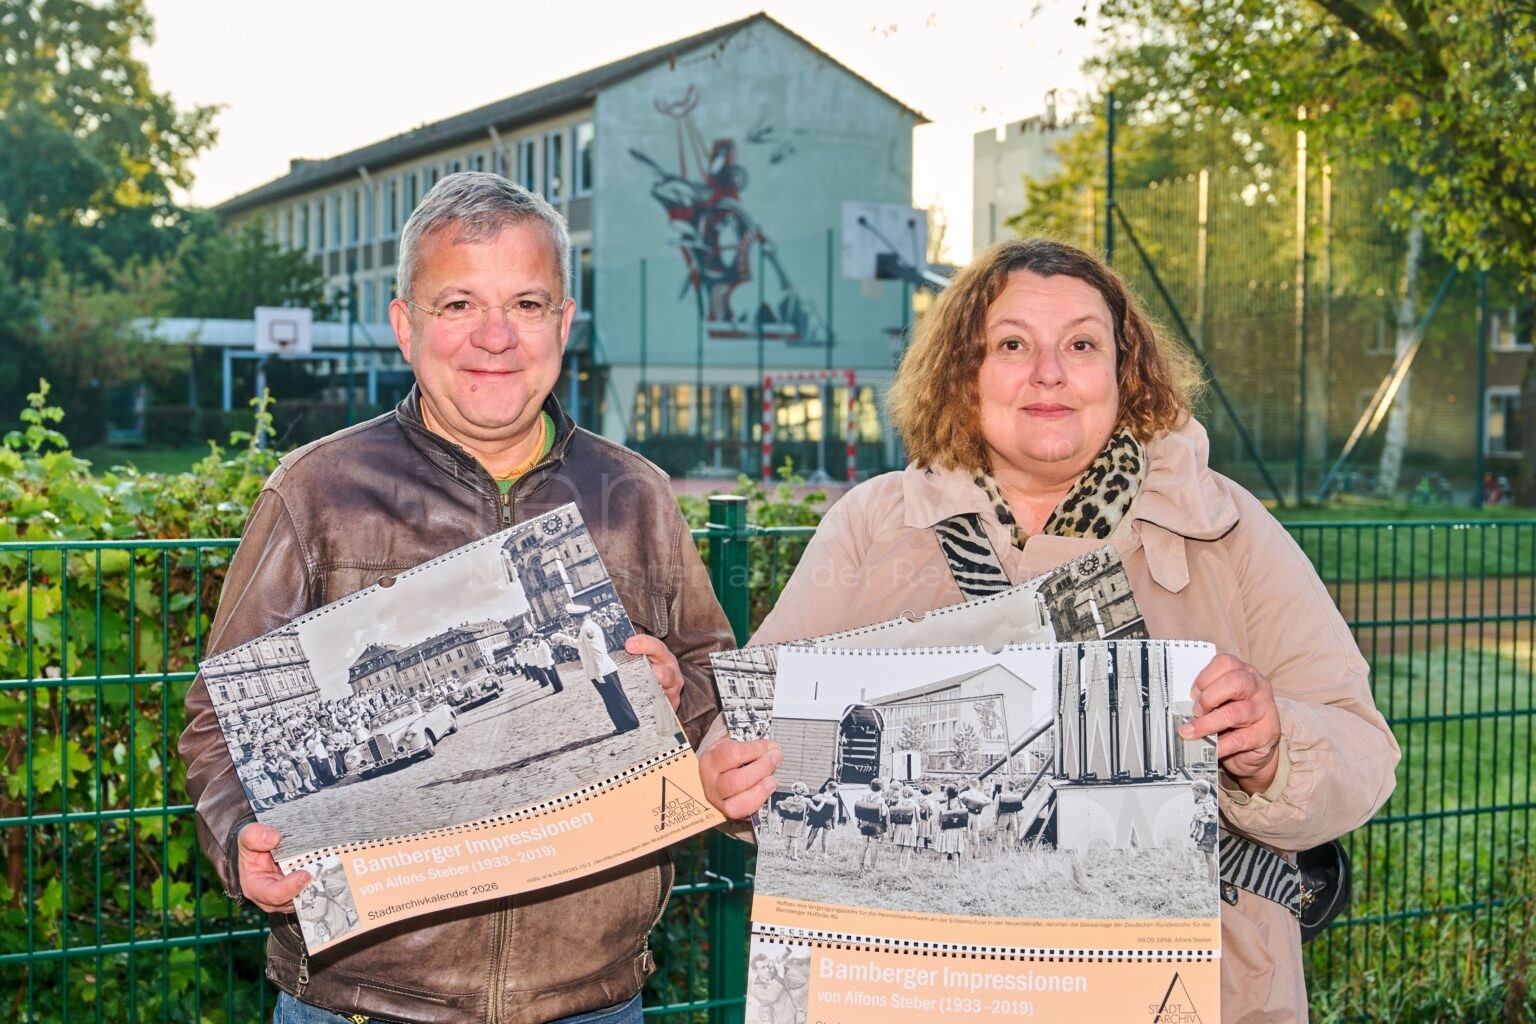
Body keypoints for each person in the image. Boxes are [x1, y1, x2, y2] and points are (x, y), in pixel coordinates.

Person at [698, 237, 1399, 1022]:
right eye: (1012, 345)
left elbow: (1363, 752)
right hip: (923, 991)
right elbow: (753, 729)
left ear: (1125, 370)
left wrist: (1272, 752)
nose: (1049, 373)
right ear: (963, 371)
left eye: (1082, 345)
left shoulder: (1224, 528)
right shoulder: (871, 526)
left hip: (1188, 993)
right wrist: (730, 776)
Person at [179, 172, 735, 1024]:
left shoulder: (636, 495)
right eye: (458, 304)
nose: (495, 336)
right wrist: (238, 842)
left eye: (526, 303)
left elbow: (714, 694)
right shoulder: (317, 492)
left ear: (564, 324)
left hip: (591, 999)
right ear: (406, 326)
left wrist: (678, 695)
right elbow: (221, 721)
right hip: (363, 1001)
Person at [550, 603, 641, 735]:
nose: (572, 622)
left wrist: (599, 672)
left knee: (614, 698)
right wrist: (564, 639)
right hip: (602, 669)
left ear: (576, 618)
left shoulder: (587, 629)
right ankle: (624, 723)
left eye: (572, 619)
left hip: (603, 670)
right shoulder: (587, 627)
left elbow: (596, 652)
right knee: (611, 698)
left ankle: (629, 723)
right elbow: (581, 645)